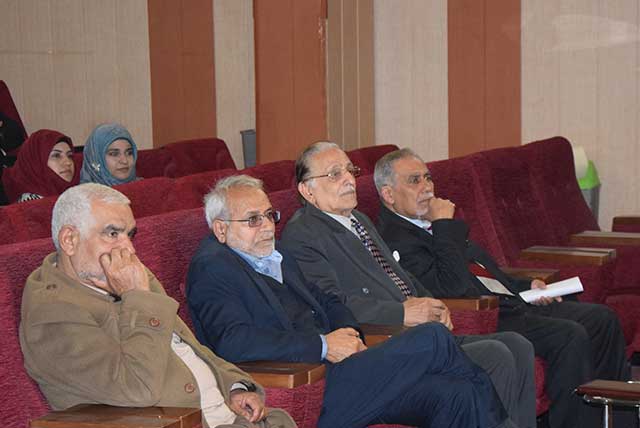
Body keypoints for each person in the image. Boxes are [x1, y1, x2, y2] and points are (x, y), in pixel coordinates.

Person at [187, 174, 516, 428]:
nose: (267, 227)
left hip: (345, 371)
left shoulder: (275, 254)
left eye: (270, 215)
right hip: (307, 387)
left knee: (458, 394)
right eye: (253, 219)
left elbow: (328, 300)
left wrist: (349, 334)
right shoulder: (213, 268)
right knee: (433, 338)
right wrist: (323, 346)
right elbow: (234, 341)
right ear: (220, 229)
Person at [281, 142, 536, 428]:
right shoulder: (304, 235)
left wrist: (432, 302)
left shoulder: (358, 219)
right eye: (334, 174)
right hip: (384, 340)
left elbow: (399, 273)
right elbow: (331, 304)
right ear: (307, 190)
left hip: (415, 331)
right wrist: (401, 313)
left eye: (350, 170)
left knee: (516, 345)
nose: (349, 179)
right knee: (495, 355)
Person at [373, 148, 630, 428]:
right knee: (570, 335)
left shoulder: (428, 222)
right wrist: (444, 225)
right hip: (485, 316)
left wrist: (525, 286)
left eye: (428, 178)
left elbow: (483, 271)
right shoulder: (395, 240)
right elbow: (452, 288)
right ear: (388, 194)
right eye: (414, 180)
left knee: (602, 319)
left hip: (511, 301)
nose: (427, 187)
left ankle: (615, 420)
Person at [19, 183, 295, 428]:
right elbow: (137, 388)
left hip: (229, 416)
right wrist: (137, 298)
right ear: (69, 240)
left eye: (130, 234)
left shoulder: (128, 275)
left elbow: (189, 347)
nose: (129, 249)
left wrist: (234, 385)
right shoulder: (53, 313)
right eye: (112, 234)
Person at [2, 129, 79, 203]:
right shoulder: (31, 204)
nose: (68, 162)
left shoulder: (77, 194)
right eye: (56, 156)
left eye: (70, 156)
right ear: (36, 163)